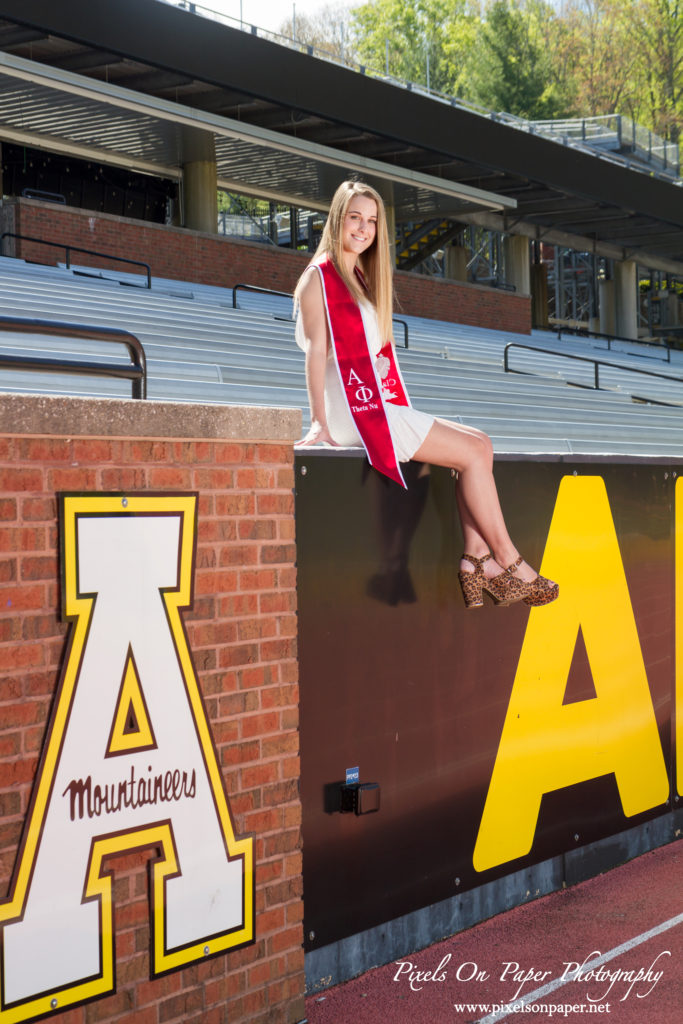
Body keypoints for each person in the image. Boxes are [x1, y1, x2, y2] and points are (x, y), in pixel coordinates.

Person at [294, 179, 558, 609]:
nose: (363, 229)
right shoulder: (317, 279)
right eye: (355, 218)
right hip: (355, 411)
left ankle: (476, 560)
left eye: (372, 221)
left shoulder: (358, 276)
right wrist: (319, 421)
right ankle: (508, 561)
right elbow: (317, 351)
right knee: (473, 454)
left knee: (482, 445)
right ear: (338, 220)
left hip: (377, 401)